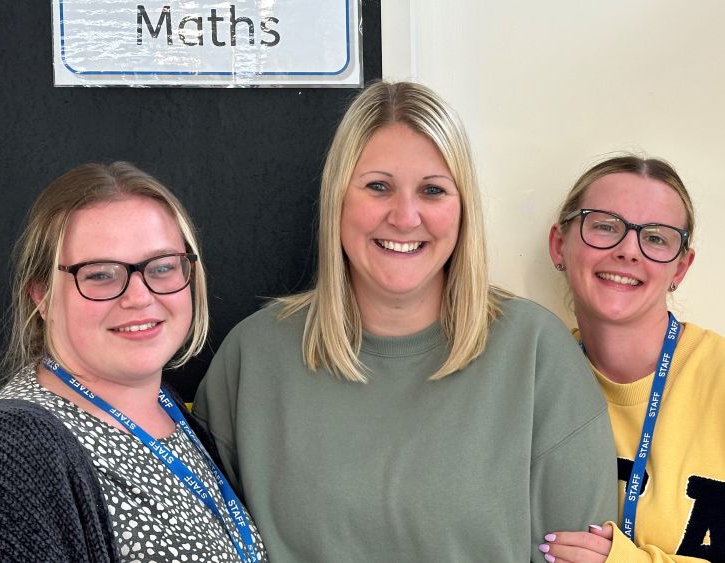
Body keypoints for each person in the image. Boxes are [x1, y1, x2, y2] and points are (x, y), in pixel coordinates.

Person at [193, 80, 617, 562]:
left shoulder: (536, 351)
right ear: (337, 199)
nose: (405, 216)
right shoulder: (254, 357)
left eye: (433, 191)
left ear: (463, 211)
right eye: (378, 187)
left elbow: (577, 554)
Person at [0, 162, 267, 562]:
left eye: (162, 267)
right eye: (99, 275)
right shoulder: (5, 450)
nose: (138, 296)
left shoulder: (174, 414)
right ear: (42, 297)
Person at [544, 155, 725, 562]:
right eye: (605, 226)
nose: (628, 251)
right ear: (559, 244)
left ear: (681, 266)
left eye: (657, 238)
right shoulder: (531, 382)